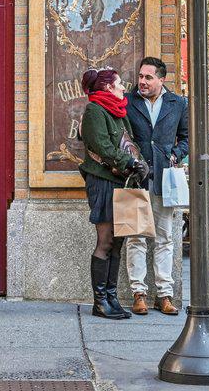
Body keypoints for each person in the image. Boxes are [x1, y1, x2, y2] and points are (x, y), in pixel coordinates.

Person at [122, 54, 188, 316]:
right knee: (135, 237)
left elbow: (186, 137)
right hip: (134, 178)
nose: (142, 81)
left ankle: (164, 294)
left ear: (161, 79)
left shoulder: (178, 103)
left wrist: (175, 154)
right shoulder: (127, 101)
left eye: (148, 77)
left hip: (163, 178)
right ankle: (138, 293)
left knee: (164, 238)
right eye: (140, 76)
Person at [78, 66, 145, 321]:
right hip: (103, 182)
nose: (123, 87)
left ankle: (112, 297)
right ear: (108, 87)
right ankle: (100, 302)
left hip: (122, 182)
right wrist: (130, 163)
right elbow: (102, 146)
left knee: (118, 242)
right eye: (119, 83)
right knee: (105, 242)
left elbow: (129, 142)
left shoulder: (118, 111)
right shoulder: (95, 110)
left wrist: (140, 162)